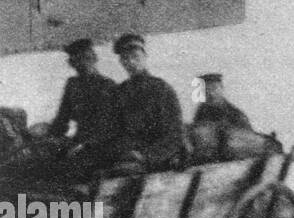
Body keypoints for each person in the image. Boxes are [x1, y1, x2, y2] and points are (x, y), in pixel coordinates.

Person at [92, 33, 186, 177]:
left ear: (145, 57)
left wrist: (146, 156)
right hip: (128, 156)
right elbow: (112, 130)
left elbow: (176, 134)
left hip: (158, 158)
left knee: (121, 173)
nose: (131, 62)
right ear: (121, 62)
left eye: (135, 57)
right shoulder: (120, 91)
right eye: (125, 58)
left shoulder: (161, 89)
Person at [42, 38, 116, 146]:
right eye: (76, 61)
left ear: (94, 59)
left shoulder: (107, 85)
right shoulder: (72, 84)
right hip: (79, 141)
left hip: (102, 144)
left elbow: (108, 125)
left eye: (86, 59)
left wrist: (86, 144)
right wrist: (52, 137)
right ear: (73, 63)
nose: (82, 64)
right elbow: (62, 118)